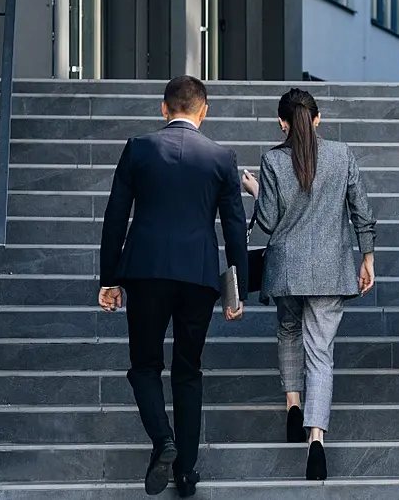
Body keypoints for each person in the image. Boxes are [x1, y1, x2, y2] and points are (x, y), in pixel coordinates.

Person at [98, 75, 247, 497]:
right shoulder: (221, 157)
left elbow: (114, 218)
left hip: (145, 271)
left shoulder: (138, 149)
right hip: (197, 276)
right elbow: (235, 227)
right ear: (205, 110)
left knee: (144, 365)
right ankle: (186, 471)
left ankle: (162, 439)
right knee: (188, 371)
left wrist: (109, 280)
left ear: (164, 109)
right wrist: (237, 289)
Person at [240, 88, 376, 481]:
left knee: (287, 329)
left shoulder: (273, 161)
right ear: (317, 119)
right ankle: (316, 439)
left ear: (282, 122)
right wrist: (367, 257)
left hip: (285, 269)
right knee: (321, 353)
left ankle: (293, 404)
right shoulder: (341, 154)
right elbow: (361, 212)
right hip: (330, 269)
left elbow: (266, 222)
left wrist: (255, 191)